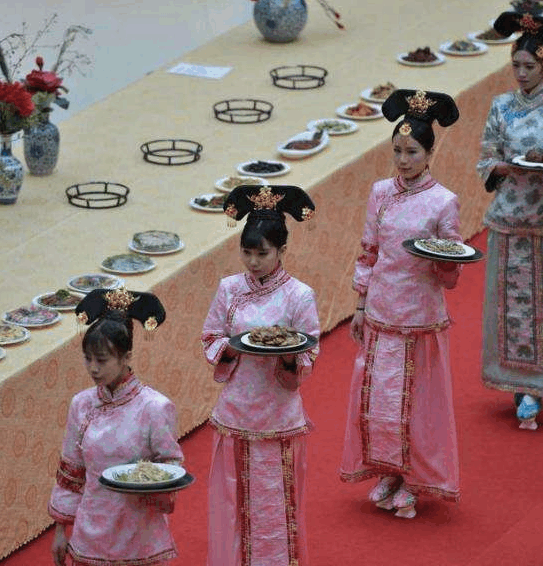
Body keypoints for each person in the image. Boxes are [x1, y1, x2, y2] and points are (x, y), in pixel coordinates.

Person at [339, 90, 463, 519]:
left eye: (412, 151)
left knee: (416, 403)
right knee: (379, 402)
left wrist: (442, 260)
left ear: (430, 152)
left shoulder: (443, 201)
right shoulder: (379, 193)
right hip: (380, 311)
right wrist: (359, 305)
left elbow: (452, 271)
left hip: (421, 315)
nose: (403, 159)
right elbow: (368, 252)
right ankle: (388, 473)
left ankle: (413, 479)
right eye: (397, 151)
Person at [477, 12, 543, 431]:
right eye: (516, 65)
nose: (521, 74)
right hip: (507, 218)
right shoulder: (500, 106)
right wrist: (501, 167)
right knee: (510, 308)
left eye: (530, 67)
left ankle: (541, 386)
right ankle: (517, 385)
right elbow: (486, 157)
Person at [201, 184, 320, 566]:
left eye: (262, 253)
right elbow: (210, 336)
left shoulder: (300, 296)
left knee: (276, 500)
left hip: (278, 411)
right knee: (232, 501)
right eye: (247, 252)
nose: (253, 262)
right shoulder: (228, 289)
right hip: (237, 407)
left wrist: (287, 357)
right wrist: (234, 346)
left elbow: (310, 350)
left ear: (282, 251)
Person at [49, 288, 183, 566]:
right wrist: (61, 529)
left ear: (126, 357)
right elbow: (71, 471)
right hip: (91, 530)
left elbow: (171, 465)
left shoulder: (155, 407)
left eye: (102, 360)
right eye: (88, 359)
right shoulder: (81, 404)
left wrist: (148, 485)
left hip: (137, 529)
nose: (93, 369)